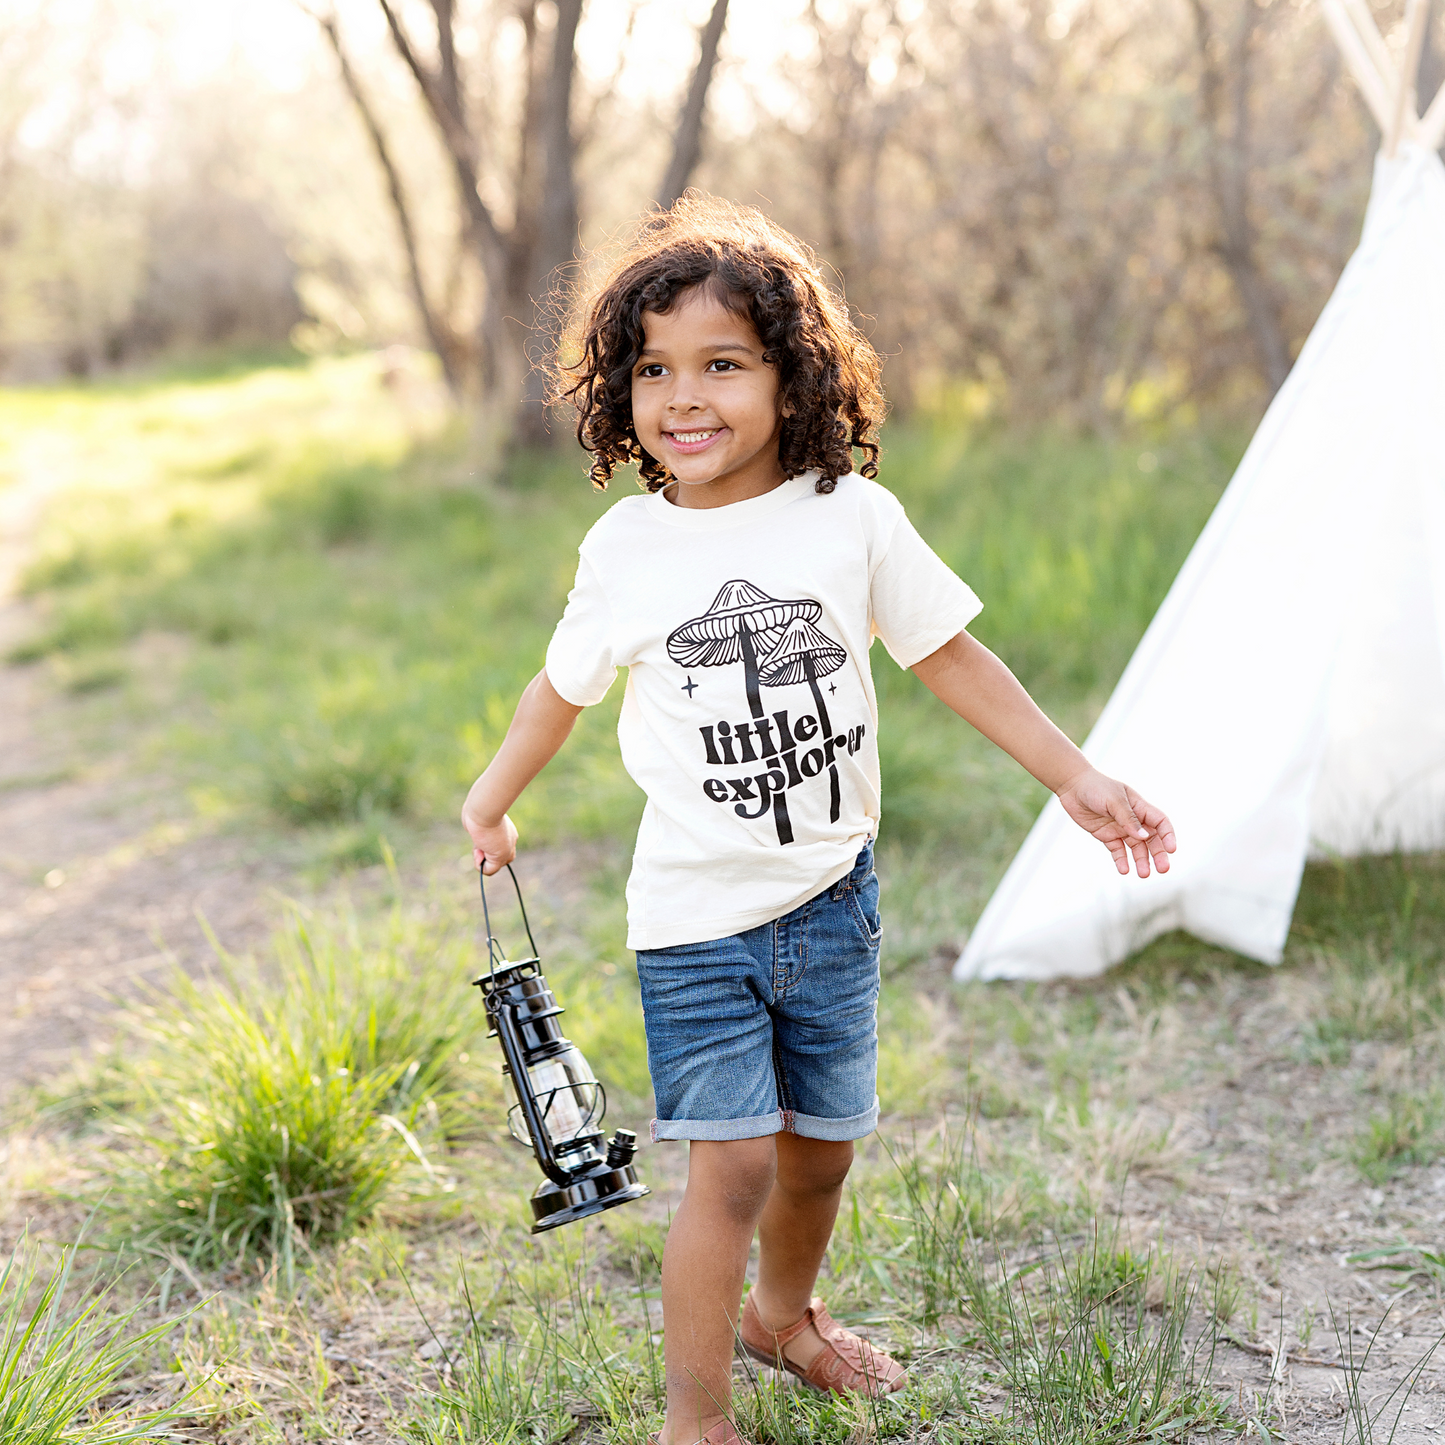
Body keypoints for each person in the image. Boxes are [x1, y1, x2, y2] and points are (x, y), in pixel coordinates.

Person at [461, 195, 1176, 1445]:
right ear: (616, 394)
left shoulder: (848, 516)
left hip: (833, 903)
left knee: (821, 1152)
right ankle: (697, 1417)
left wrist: (1074, 774)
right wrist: (491, 796)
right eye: (651, 369)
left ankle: (780, 1315)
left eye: (722, 364)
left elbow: (948, 652)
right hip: (693, 920)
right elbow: (555, 690)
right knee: (729, 1163)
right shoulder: (626, 548)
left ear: (792, 380)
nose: (683, 397)